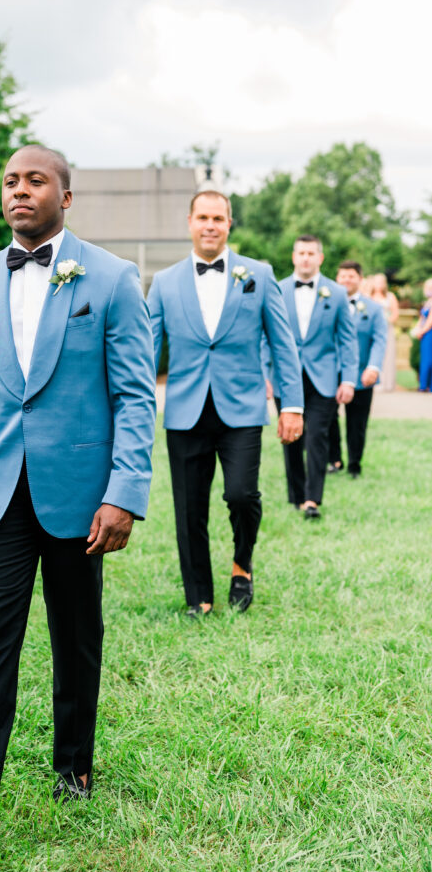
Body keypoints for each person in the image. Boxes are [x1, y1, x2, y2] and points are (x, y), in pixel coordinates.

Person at [0, 145, 156, 850]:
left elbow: (134, 395)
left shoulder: (110, 279)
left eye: (36, 180)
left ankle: (74, 763)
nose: (20, 190)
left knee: (77, 635)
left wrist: (124, 493)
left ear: (65, 197)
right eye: (11, 180)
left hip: (82, 494)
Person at [147, 190, 303, 618]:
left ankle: (242, 564)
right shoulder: (164, 282)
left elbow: (282, 342)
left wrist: (291, 404)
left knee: (241, 494)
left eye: (218, 217)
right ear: (190, 222)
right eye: (203, 217)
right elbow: (146, 350)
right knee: (189, 508)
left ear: (229, 223)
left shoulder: (259, 274)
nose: (210, 225)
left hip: (243, 409)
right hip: (184, 411)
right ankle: (199, 594)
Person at [271, 235, 358, 520]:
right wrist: (264, 374)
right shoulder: (276, 289)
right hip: (285, 376)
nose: (306, 258)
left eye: (311, 253)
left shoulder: (336, 292)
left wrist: (348, 379)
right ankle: (296, 495)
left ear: (320, 258)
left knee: (317, 436)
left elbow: (348, 339)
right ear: (293, 256)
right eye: (301, 253)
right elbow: (264, 336)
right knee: (291, 436)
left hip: (323, 379)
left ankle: (312, 499)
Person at [326, 261, 388, 477]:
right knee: (328, 419)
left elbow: (380, 340)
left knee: (357, 422)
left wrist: (373, 367)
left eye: (351, 276)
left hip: (362, 375)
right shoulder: (326, 305)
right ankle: (334, 460)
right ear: (336, 279)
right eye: (342, 276)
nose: (346, 280)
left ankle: (354, 463)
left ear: (361, 280)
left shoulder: (374, 309)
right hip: (329, 374)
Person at [366, 272, 399, 392]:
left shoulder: (390, 296)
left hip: (387, 328)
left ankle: (387, 383)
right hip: (370, 329)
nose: (379, 284)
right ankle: (372, 380)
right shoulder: (368, 296)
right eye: (377, 281)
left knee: (388, 354)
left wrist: (386, 322)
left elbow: (395, 313)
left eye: (381, 282)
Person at [411, 278, 432, 392]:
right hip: (424, 333)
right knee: (425, 359)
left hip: (429, 333)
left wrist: (422, 331)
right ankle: (424, 384)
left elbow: (430, 321)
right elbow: (422, 318)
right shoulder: (427, 302)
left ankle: (427, 385)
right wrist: (417, 329)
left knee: (429, 360)